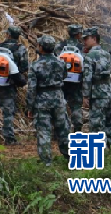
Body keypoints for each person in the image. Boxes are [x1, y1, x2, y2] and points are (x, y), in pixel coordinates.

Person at [27, 35, 70, 166]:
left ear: (41, 47)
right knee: (63, 129)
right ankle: (70, 156)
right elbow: (65, 76)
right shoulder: (61, 62)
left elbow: (31, 88)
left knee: (43, 130)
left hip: (41, 101)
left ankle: (46, 161)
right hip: (58, 98)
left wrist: (29, 107)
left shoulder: (35, 65)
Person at [81, 27, 111, 143]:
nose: (84, 41)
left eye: (86, 39)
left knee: (97, 125)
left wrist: (85, 96)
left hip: (97, 95)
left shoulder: (89, 56)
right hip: (109, 93)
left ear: (94, 38)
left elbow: (87, 77)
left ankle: (98, 154)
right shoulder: (106, 54)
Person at [56, 24, 85, 132]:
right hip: (76, 82)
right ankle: (77, 129)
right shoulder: (82, 47)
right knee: (76, 106)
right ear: (78, 34)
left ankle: (59, 131)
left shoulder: (60, 45)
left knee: (60, 106)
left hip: (62, 81)